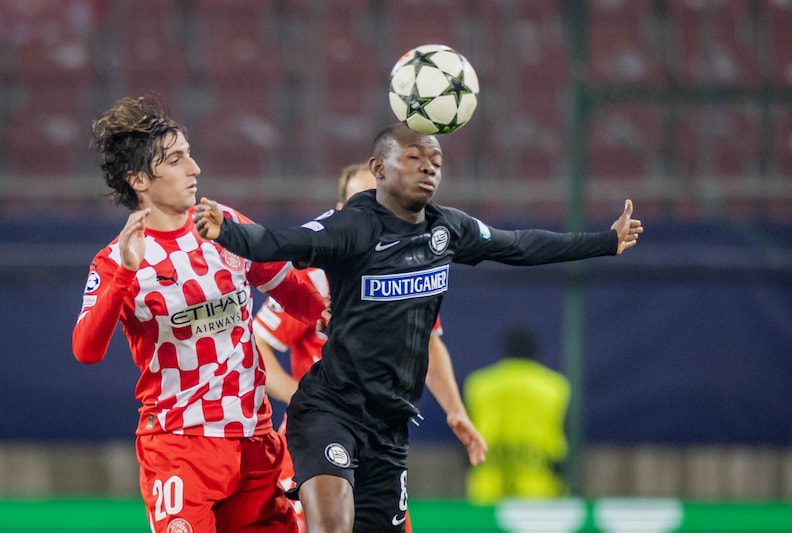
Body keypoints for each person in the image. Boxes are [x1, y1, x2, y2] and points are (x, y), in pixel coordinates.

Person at [194, 122, 643, 532]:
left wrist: (605, 241)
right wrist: (226, 231)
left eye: (436, 162)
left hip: (388, 427)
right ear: (379, 168)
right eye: (414, 158)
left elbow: (519, 245)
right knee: (332, 527)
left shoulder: (447, 229)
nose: (428, 168)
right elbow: (284, 240)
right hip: (330, 413)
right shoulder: (353, 226)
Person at [72, 95, 329, 533]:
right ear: (138, 179)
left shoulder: (223, 221)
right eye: (176, 160)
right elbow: (86, 350)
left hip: (255, 441)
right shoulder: (117, 259)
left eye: (189, 155)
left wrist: (331, 316)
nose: (194, 169)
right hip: (180, 448)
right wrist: (124, 277)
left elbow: (290, 290)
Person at [253, 162, 488, 532]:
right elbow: (258, 342)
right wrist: (294, 392)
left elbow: (427, 340)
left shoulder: (408, 270)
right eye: (362, 202)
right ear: (340, 212)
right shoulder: (315, 276)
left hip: (377, 434)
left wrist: (455, 410)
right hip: (321, 435)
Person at [463, 325, 570, 503]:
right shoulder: (556, 387)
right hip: (539, 491)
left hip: (487, 489)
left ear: (505, 350)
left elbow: (463, 438)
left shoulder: (478, 385)